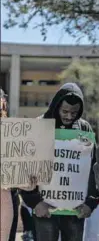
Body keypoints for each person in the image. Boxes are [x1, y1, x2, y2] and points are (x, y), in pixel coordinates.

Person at [20, 83, 99, 241]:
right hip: (45, 210)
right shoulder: (40, 125)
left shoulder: (84, 129)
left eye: (74, 112)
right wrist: (35, 202)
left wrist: (90, 203)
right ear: (56, 106)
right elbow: (25, 168)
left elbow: (94, 168)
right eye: (65, 111)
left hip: (75, 211)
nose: (69, 116)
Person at [0, 89, 37, 241]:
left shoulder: (14, 135)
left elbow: (21, 178)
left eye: (2, 103)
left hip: (7, 201)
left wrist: (29, 183)